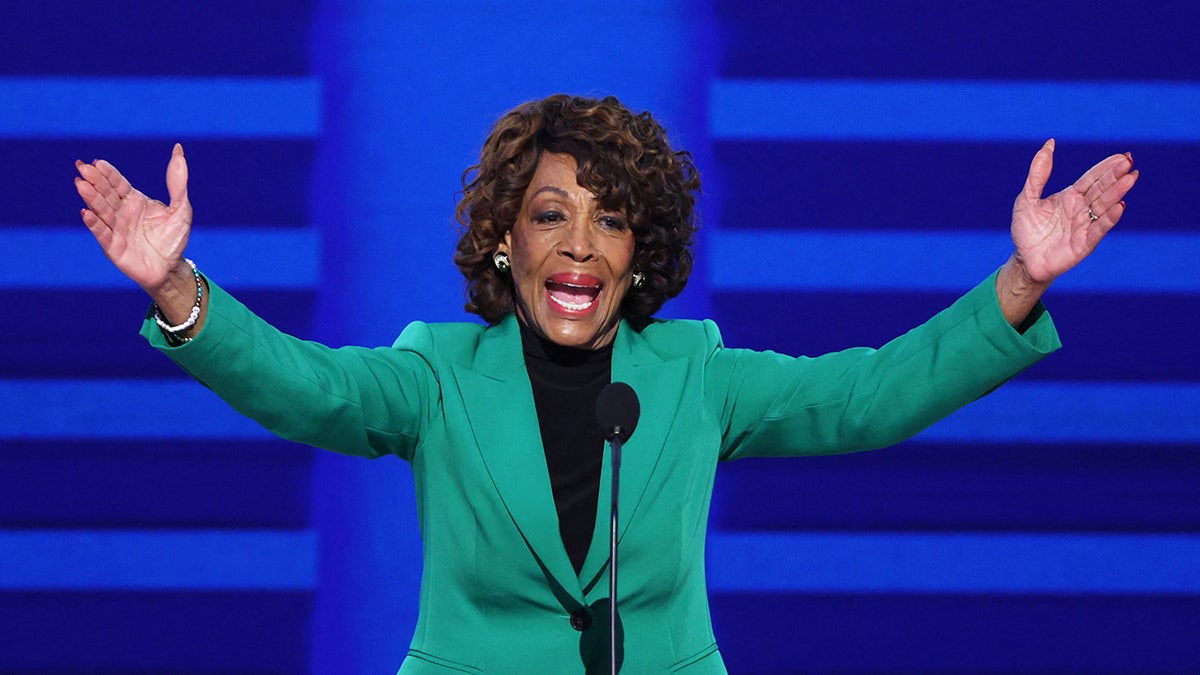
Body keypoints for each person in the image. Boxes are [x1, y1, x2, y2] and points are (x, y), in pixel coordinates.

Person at [73, 94, 1137, 673]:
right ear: (502, 240)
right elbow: (306, 388)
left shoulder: (696, 373)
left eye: (612, 217)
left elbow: (863, 397)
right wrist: (175, 285)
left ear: (641, 252)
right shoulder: (435, 376)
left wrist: (1020, 280)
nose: (580, 247)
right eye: (550, 214)